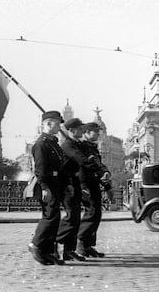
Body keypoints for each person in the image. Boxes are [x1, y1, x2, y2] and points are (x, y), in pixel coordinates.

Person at [55, 118, 100, 261]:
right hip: (68, 184)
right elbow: (81, 160)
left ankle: (69, 250)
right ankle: (54, 242)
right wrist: (96, 167)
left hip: (75, 184)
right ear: (72, 131)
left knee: (74, 218)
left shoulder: (76, 144)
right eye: (80, 129)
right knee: (70, 218)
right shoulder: (68, 145)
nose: (82, 131)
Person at [28, 111, 66, 265]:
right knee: (49, 216)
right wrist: (44, 187)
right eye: (57, 123)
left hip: (56, 184)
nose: (59, 126)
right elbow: (40, 168)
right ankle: (36, 245)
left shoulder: (52, 143)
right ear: (49, 123)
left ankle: (47, 251)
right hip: (48, 184)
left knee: (55, 218)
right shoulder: (41, 144)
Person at [76, 122, 111, 258]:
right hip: (87, 183)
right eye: (95, 132)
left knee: (96, 213)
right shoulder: (82, 147)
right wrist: (83, 186)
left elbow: (98, 164)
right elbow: (81, 167)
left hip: (95, 182)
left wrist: (105, 172)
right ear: (86, 132)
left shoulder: (92, 147)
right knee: (91, 213)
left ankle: (88, 245)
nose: (98, 134)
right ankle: (81, 242)